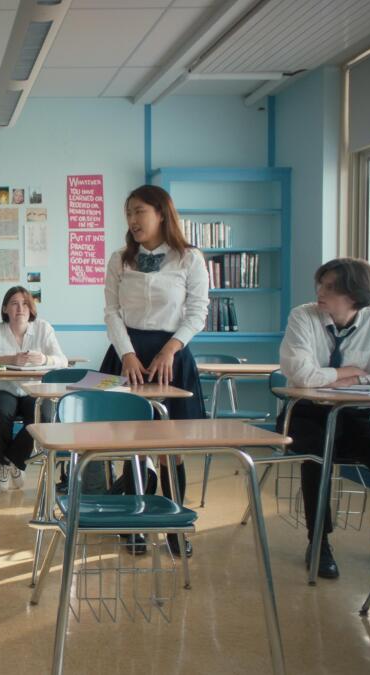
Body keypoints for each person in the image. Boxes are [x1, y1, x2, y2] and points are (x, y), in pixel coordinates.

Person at [279, 257, 370, 580]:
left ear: (354, 295)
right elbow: (301, 374)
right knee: (318, 458)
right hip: (304, 414)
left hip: (351, 416)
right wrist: (347, 371)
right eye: (321, 284)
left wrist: (359, 381)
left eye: (331, 288)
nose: (320, 291)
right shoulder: (303, 316)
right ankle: (319, 542)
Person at [100, 185, 209, 556]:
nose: (132, 220)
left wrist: (172, 349)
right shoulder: (120, 259)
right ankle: (133, 524)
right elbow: (112, 313)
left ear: (162, 213)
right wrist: (127, 354)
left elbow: (197, 312)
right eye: (128, 212)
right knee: (131, 445)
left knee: (170, 450)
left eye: (140, 211)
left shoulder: (189, 259)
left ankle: (175, 525)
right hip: (126, 355)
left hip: (171, 358)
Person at [0, 286, 67, 491]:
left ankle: (9, 460)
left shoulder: (44, 328)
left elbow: (62, 360)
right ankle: (13, 461)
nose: (20, 308)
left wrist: (44, 359)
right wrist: (10, 359)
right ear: (5, 308)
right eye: (14, 304)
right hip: (4, 387)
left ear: (31, 308)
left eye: (25, 303)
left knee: (45, 415)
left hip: (35, 389)